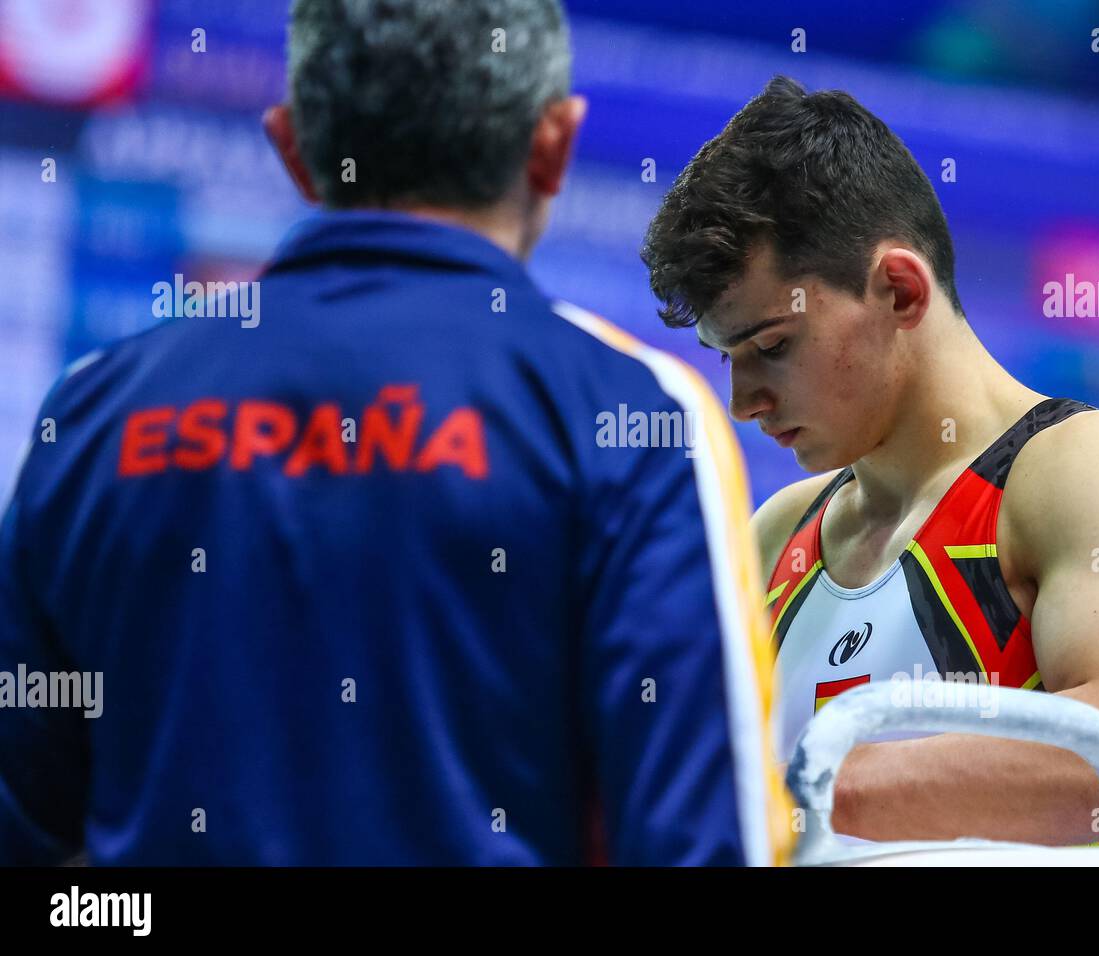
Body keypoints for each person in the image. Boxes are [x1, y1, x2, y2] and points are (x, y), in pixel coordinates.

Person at [0, 0, 789, 866]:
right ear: (554, 144)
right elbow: (707, 840)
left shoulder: (93, 408)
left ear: (294, 147)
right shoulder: (633, 416)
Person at [641, 75, 1099, 846]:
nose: (745, 402)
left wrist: (807, 793)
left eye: (772, 347)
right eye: (728, 360)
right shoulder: (779, 536)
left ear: (901, 290)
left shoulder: (1084, 470)